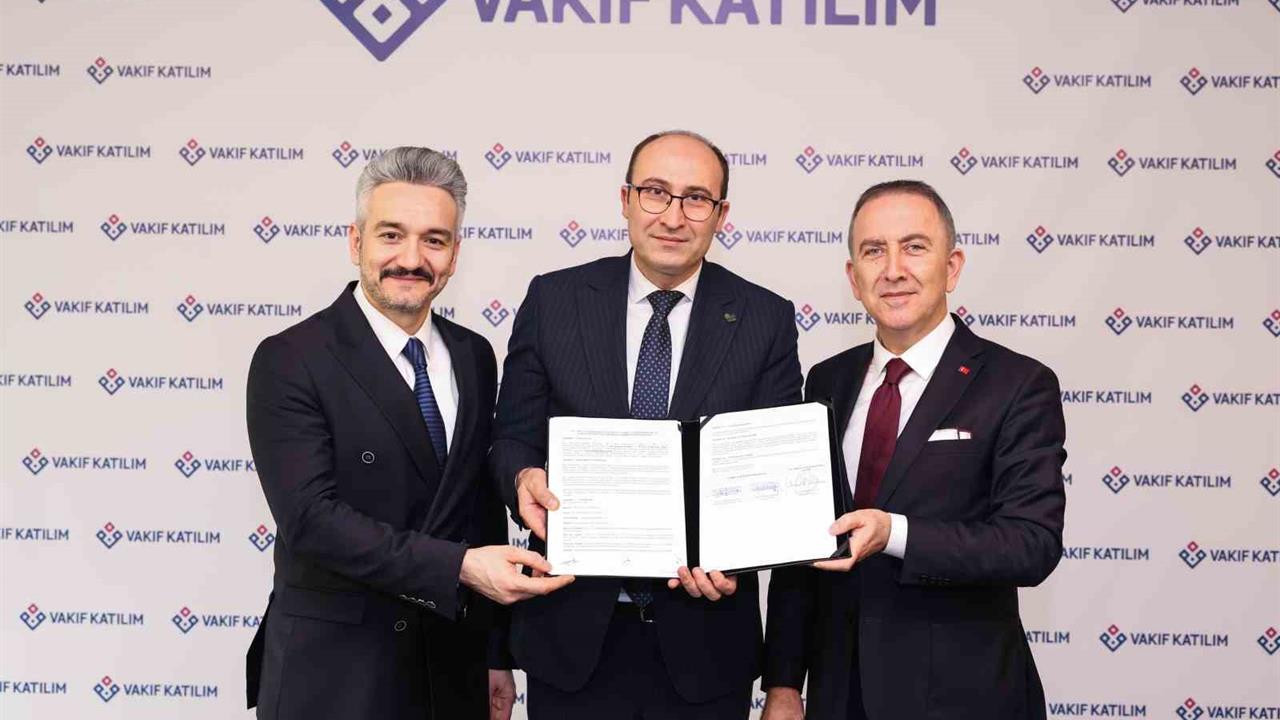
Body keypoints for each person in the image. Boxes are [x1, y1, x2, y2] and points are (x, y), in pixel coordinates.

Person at [244, 146, 573, 720]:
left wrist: (494, 652)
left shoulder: (474, 355)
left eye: (434, 240)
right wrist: (459, 567)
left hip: (451, 668)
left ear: (455, 254)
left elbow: (476, 510)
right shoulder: (291, 358)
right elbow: (311, 521)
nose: (411, 258)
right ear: (356, 242)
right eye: (391, 235)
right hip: (337, 675)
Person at [490, 130, 803, 719]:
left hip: (708, 640)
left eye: (696, 199)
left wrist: (735, 555)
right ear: (626, 199)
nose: (673, 216)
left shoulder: (765, 318)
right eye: (656, 192)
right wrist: (523, 477)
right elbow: (511, 437)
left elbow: (777, 482)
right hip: (570, 634)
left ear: (721, 215)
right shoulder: (554, 299)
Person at [762, 180, 1067, 720]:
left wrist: (894, 533)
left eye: (914, 247)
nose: (893, 269)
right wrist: (784, 684)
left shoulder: (1017, 384)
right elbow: (803, 548)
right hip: (838, 693)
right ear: (853, 278)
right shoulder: (827, 381)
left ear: (952, 267)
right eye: (873, 251)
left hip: (962, 697)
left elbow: (1031, 543)